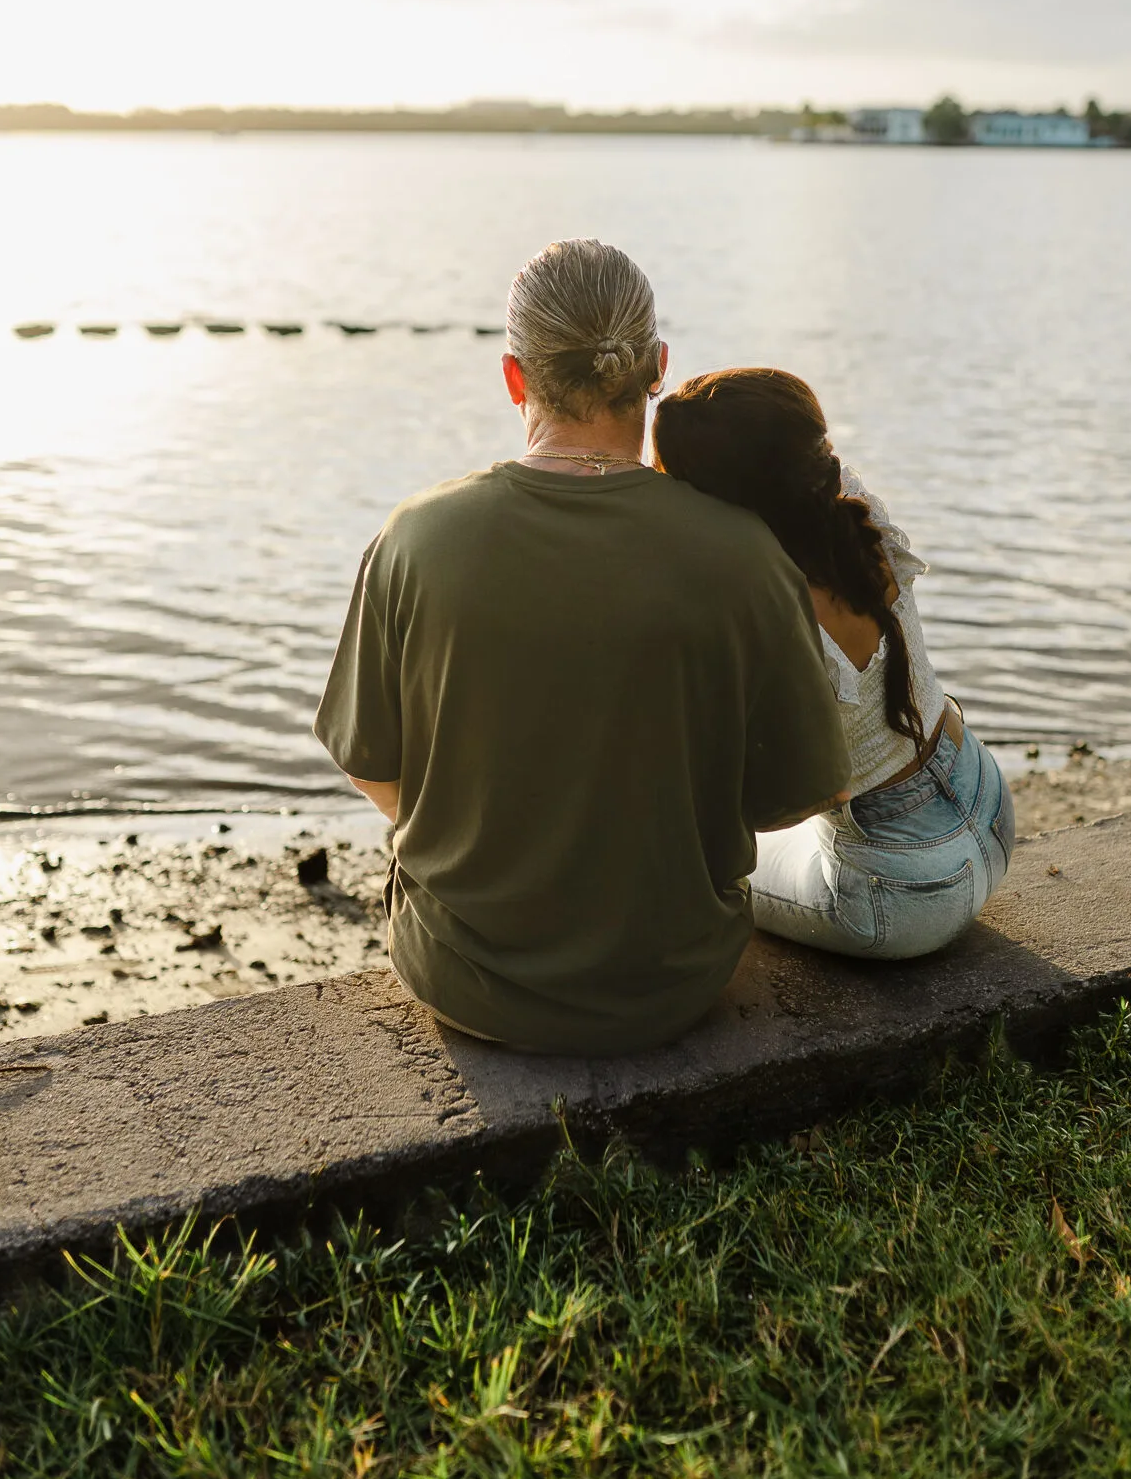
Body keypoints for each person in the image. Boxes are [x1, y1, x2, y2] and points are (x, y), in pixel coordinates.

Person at [314, 241, 848, 1054]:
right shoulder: (744, 555)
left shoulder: (416, 538)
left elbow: (368, 765)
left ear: (513, 377)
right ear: (657, 368)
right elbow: (797, 793)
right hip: (672, 981)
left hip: (461, 977)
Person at [651, 367, 1014, 960]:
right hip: (987, 801)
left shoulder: (767, 614)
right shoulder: (855, 509)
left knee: (686, 867)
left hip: (898, 894)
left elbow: (773, 804)